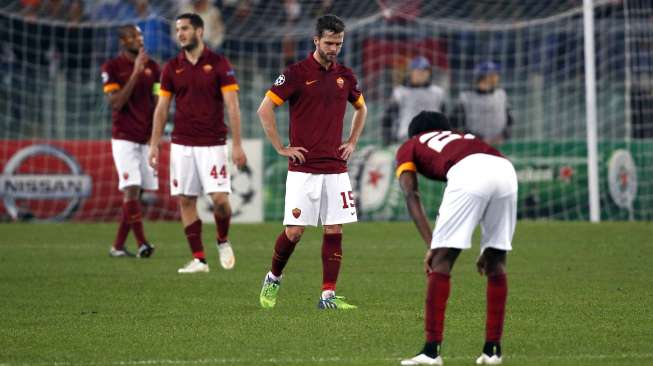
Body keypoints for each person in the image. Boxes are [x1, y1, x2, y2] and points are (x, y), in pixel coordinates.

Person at [257, 14, 367, 310]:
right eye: (329, 42)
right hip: (304, 168)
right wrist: (281, 147)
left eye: (339, 43)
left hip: (335, 166)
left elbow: (361, 108)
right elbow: (265, 109)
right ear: (316, 40)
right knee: (295, 232)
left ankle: (328, 295)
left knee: (335, 230)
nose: (334, 48)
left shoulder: (346, 76)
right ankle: (273, 277)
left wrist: (352, 141)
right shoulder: (295, 73)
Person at [396, 111, 516, 365]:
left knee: (441, 262)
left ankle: (431, 352)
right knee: (496, 260)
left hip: (468, 172)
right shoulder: (463, 137)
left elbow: (410, 193)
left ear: (414, 133)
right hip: (505, 168)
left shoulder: (411, 144)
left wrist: (433, 245)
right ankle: (492, 350)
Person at [149, 13, 247, 274]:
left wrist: (237, 144)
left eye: (185, 29)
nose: (179, 33)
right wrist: (154, 143)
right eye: (177, 29)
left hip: (213, 144)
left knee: (220, 201)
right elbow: (161, 108)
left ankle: (222, 240)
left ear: (200, 31)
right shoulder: (171, 67)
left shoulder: (218, 64)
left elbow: (232, 106)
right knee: (186, 201)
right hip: (181, 144)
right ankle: (199, 259)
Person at [101, 24, 158, 258]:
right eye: (134, 36)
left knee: (138, 194)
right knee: (132, 188)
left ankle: (117, 246)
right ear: (123, 41)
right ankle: (143, 243)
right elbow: (115, 103)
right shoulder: (111, 67)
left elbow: (158, 104)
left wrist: (156, 136)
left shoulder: (154, 67)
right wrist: (135, 72)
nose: (139, 39)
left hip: (145, 139)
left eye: (140, 35)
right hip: (123, 138)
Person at [382, 56, 446, 144]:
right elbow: (388, 118)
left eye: (425, 70)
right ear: (411, 72)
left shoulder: (438, 93)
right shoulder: (400, 92)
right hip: (406, 138)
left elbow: (444, 117)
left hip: (434, 139)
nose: (422, 73)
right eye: (418, 70)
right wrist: (388, 139)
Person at [450, 61, 513, 146]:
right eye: (492, 75)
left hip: (500, 143)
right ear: (481, 77)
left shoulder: (501, 93)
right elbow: (455, 123)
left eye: (496, 74)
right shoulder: (466, 97)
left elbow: (509, 120)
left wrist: (503, 136)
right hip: (474, 144)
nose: (496, 77)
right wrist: (476, 138)